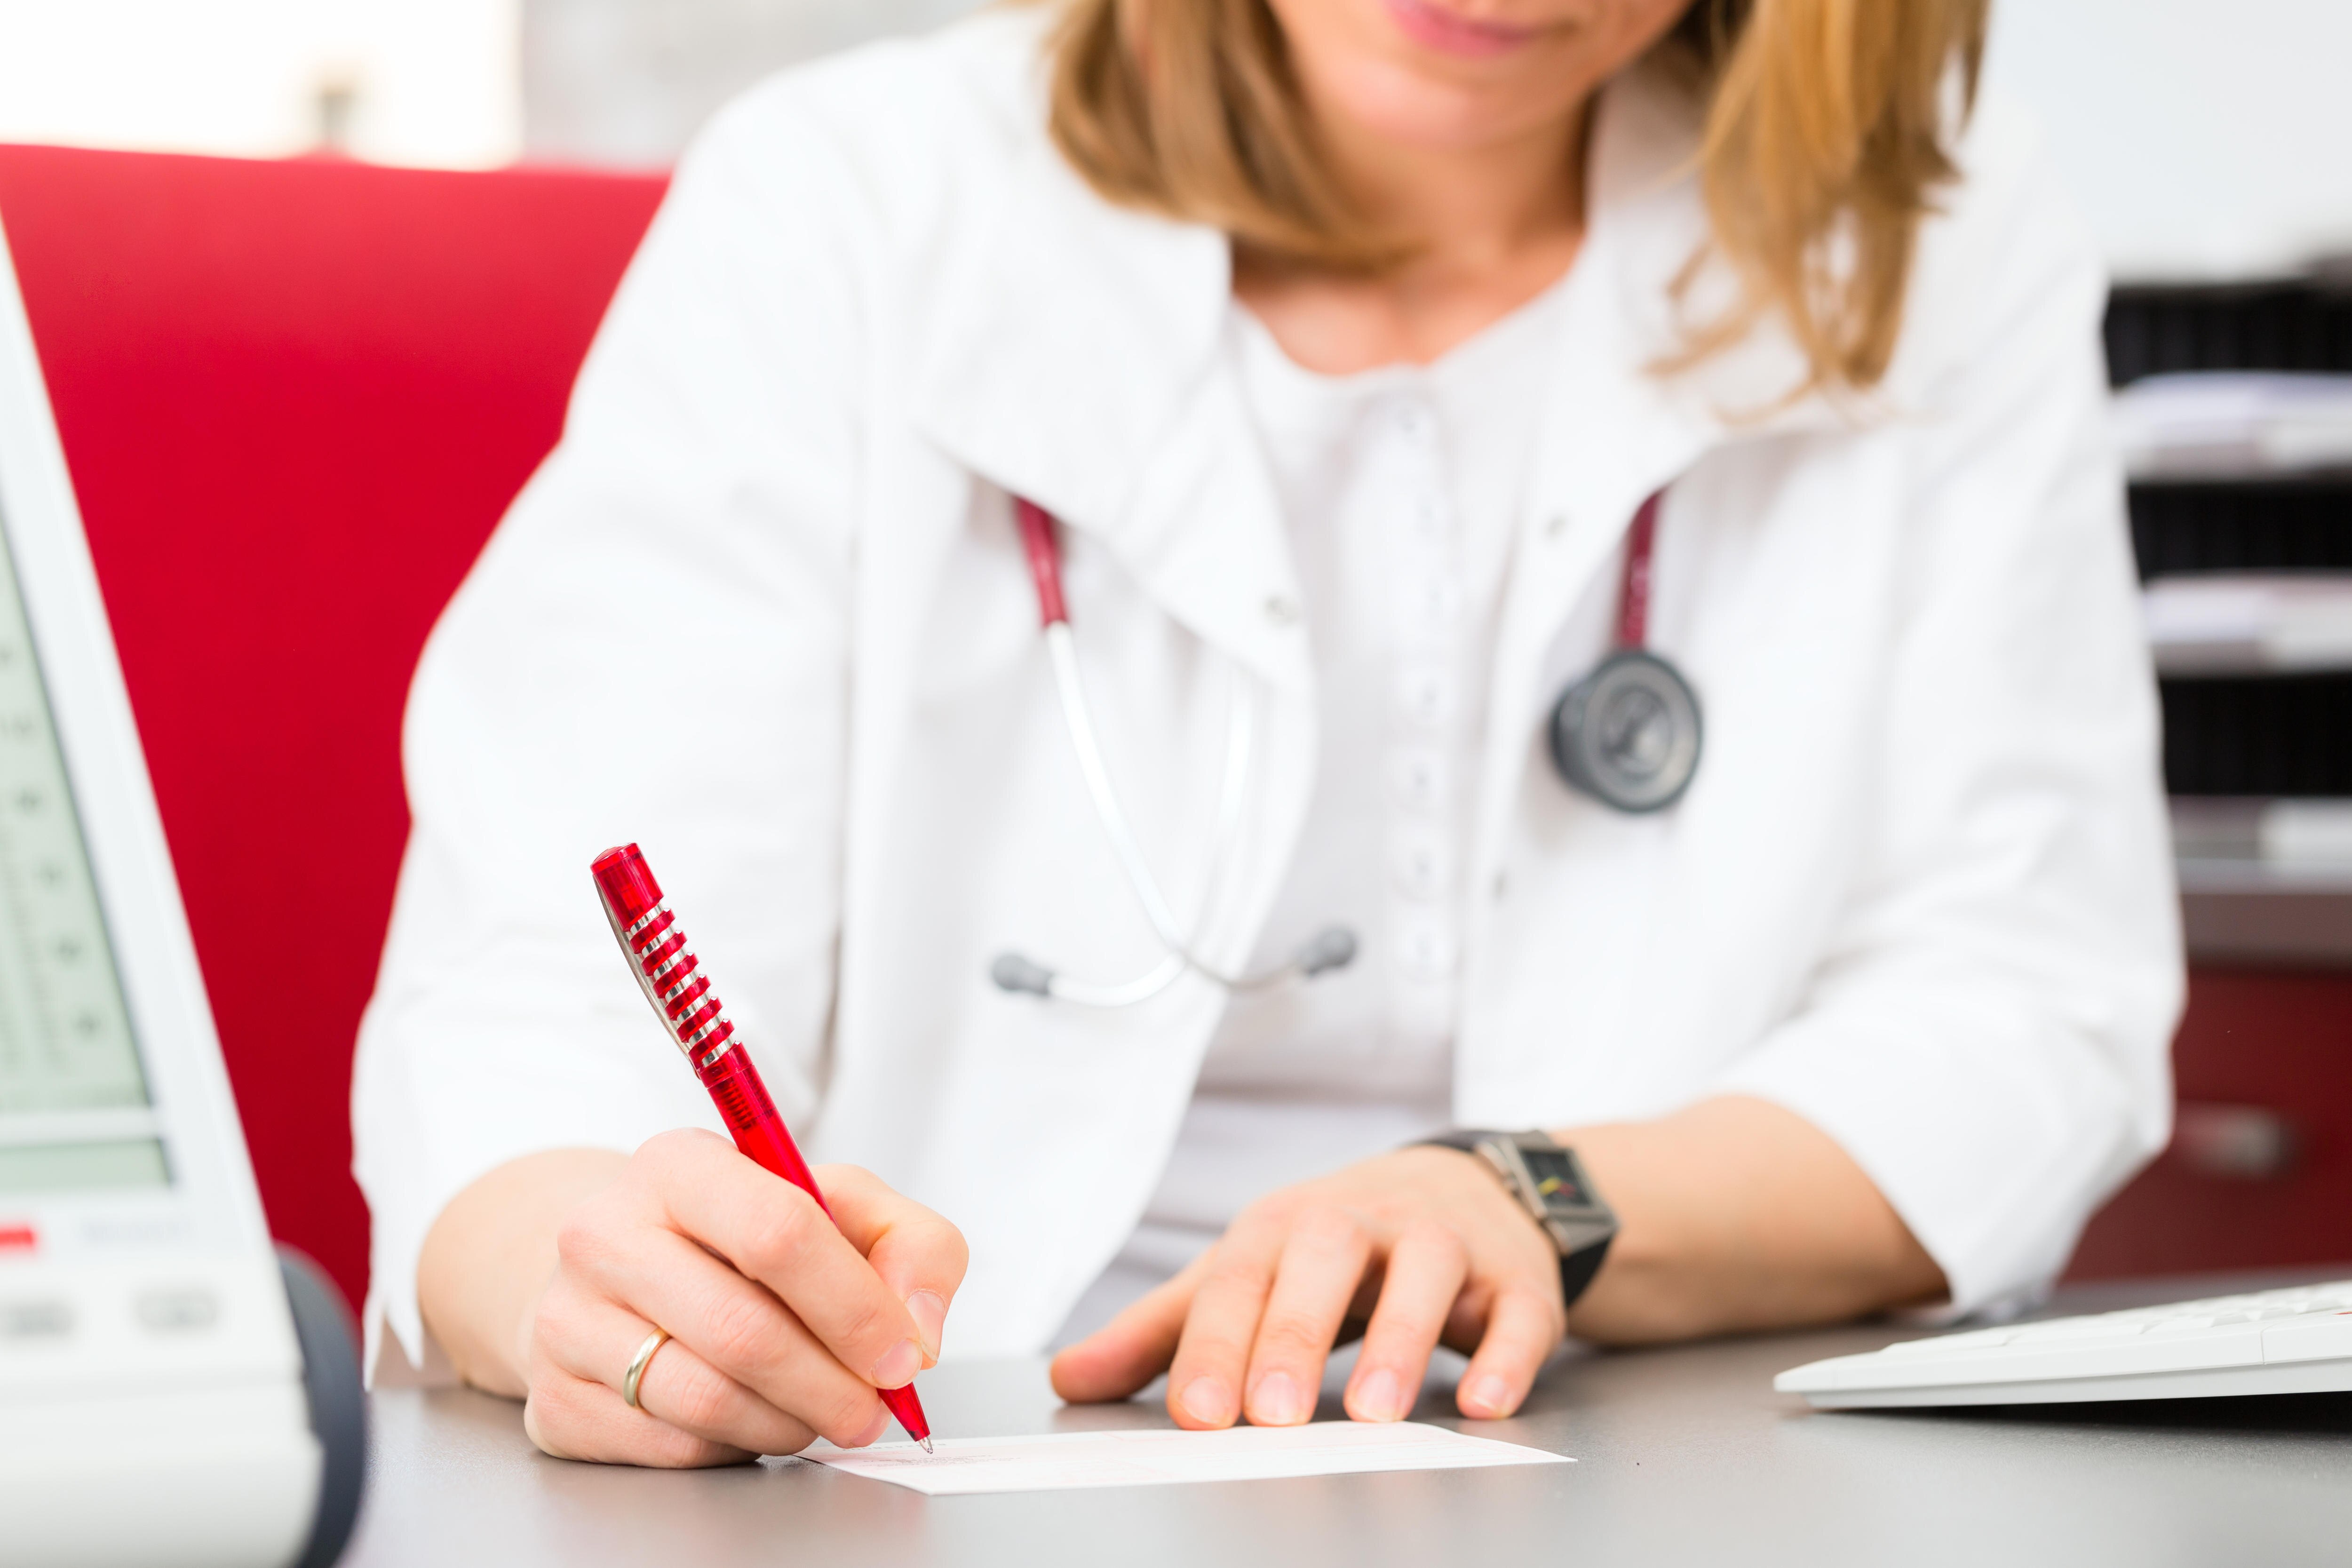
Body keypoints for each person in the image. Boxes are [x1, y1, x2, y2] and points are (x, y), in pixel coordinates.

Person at [351, 0, 2183, 1468]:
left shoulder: (1927, 247)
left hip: (1629, 1458)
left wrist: (1532, 1201)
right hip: (929, 1456)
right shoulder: (846, 206)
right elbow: (534, 1021)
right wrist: (601, 1286)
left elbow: (2021, 992)